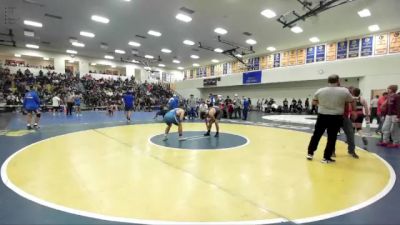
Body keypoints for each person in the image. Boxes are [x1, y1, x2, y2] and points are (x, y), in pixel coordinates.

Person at [306, 75, 355, 163]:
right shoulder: (344, 91)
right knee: (332, 138)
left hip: (322, 116)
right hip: (336, 117)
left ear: (328, 81)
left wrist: (323, 105)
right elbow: (351, 100)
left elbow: (314, 102)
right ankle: (326, 158)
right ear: (338, 81)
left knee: (316, 135)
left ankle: (310, 153)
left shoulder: (320, 90)